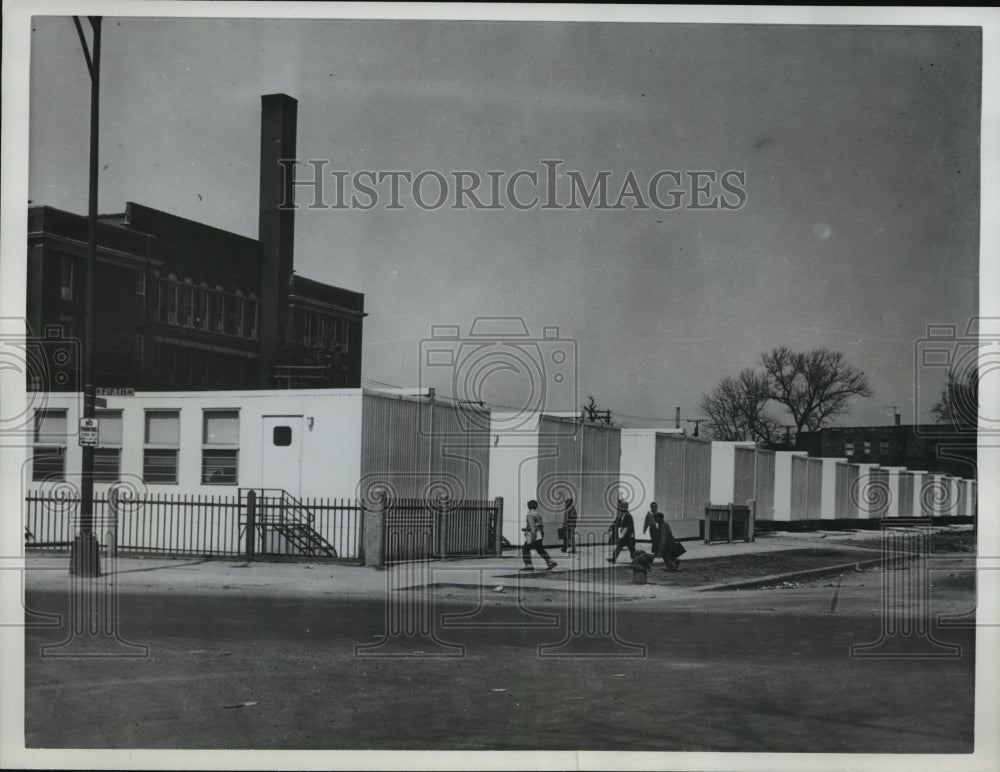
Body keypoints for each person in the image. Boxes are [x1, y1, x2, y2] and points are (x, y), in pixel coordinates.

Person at [521, 499, 557, 571]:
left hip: (534, 533)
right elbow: (539, 525)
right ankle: (550, 562)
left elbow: (532, 526)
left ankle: (529, 566)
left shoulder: (529, 515)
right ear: (536, 506)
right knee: (540, 549)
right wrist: (527, 529)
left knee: (525, 549)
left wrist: (533, 535)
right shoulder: (538, 514)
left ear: (528, 506)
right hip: (540, 533)